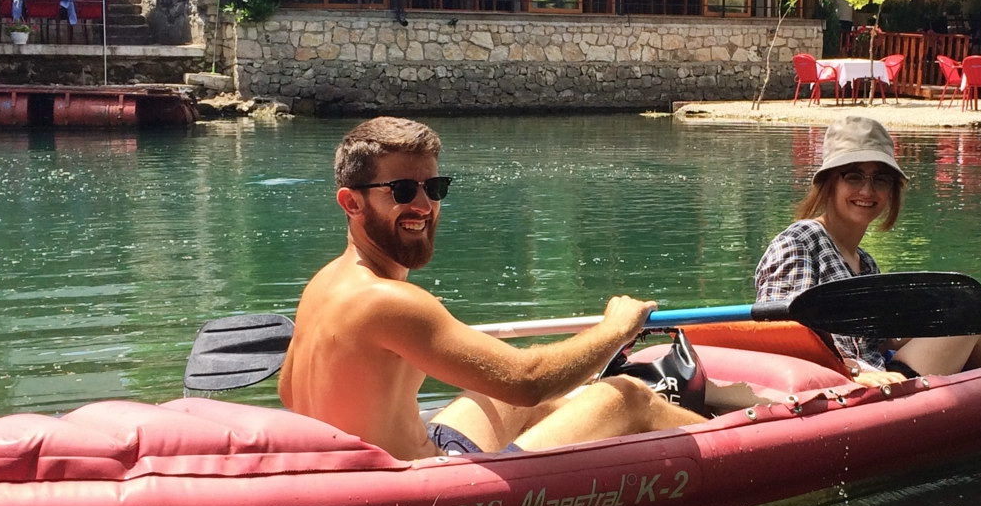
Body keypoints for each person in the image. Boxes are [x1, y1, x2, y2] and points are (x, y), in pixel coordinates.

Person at [281, 117, 702, 460]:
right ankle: (747, 441)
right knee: (626, 396)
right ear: (352, 203)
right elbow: (527, 380)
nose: (424, 206)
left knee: (537, 402)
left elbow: (288, 392)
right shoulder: (387, 301)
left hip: (389, 461)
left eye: (435, 188)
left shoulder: (324, 284)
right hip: (416, 489)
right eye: (403, 191)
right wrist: (617, 330)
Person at [755, 116, 981, 387]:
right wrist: (855, 373)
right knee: (969, 315)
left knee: (976, 313)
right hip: (846, 389)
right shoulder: (799, 242)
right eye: (853, 176)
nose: (867, 190)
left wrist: (946, 314)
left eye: (881, 179)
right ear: (829, 182)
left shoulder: (865, 262)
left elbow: (875, 340)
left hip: (882, 376)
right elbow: (784, 338)